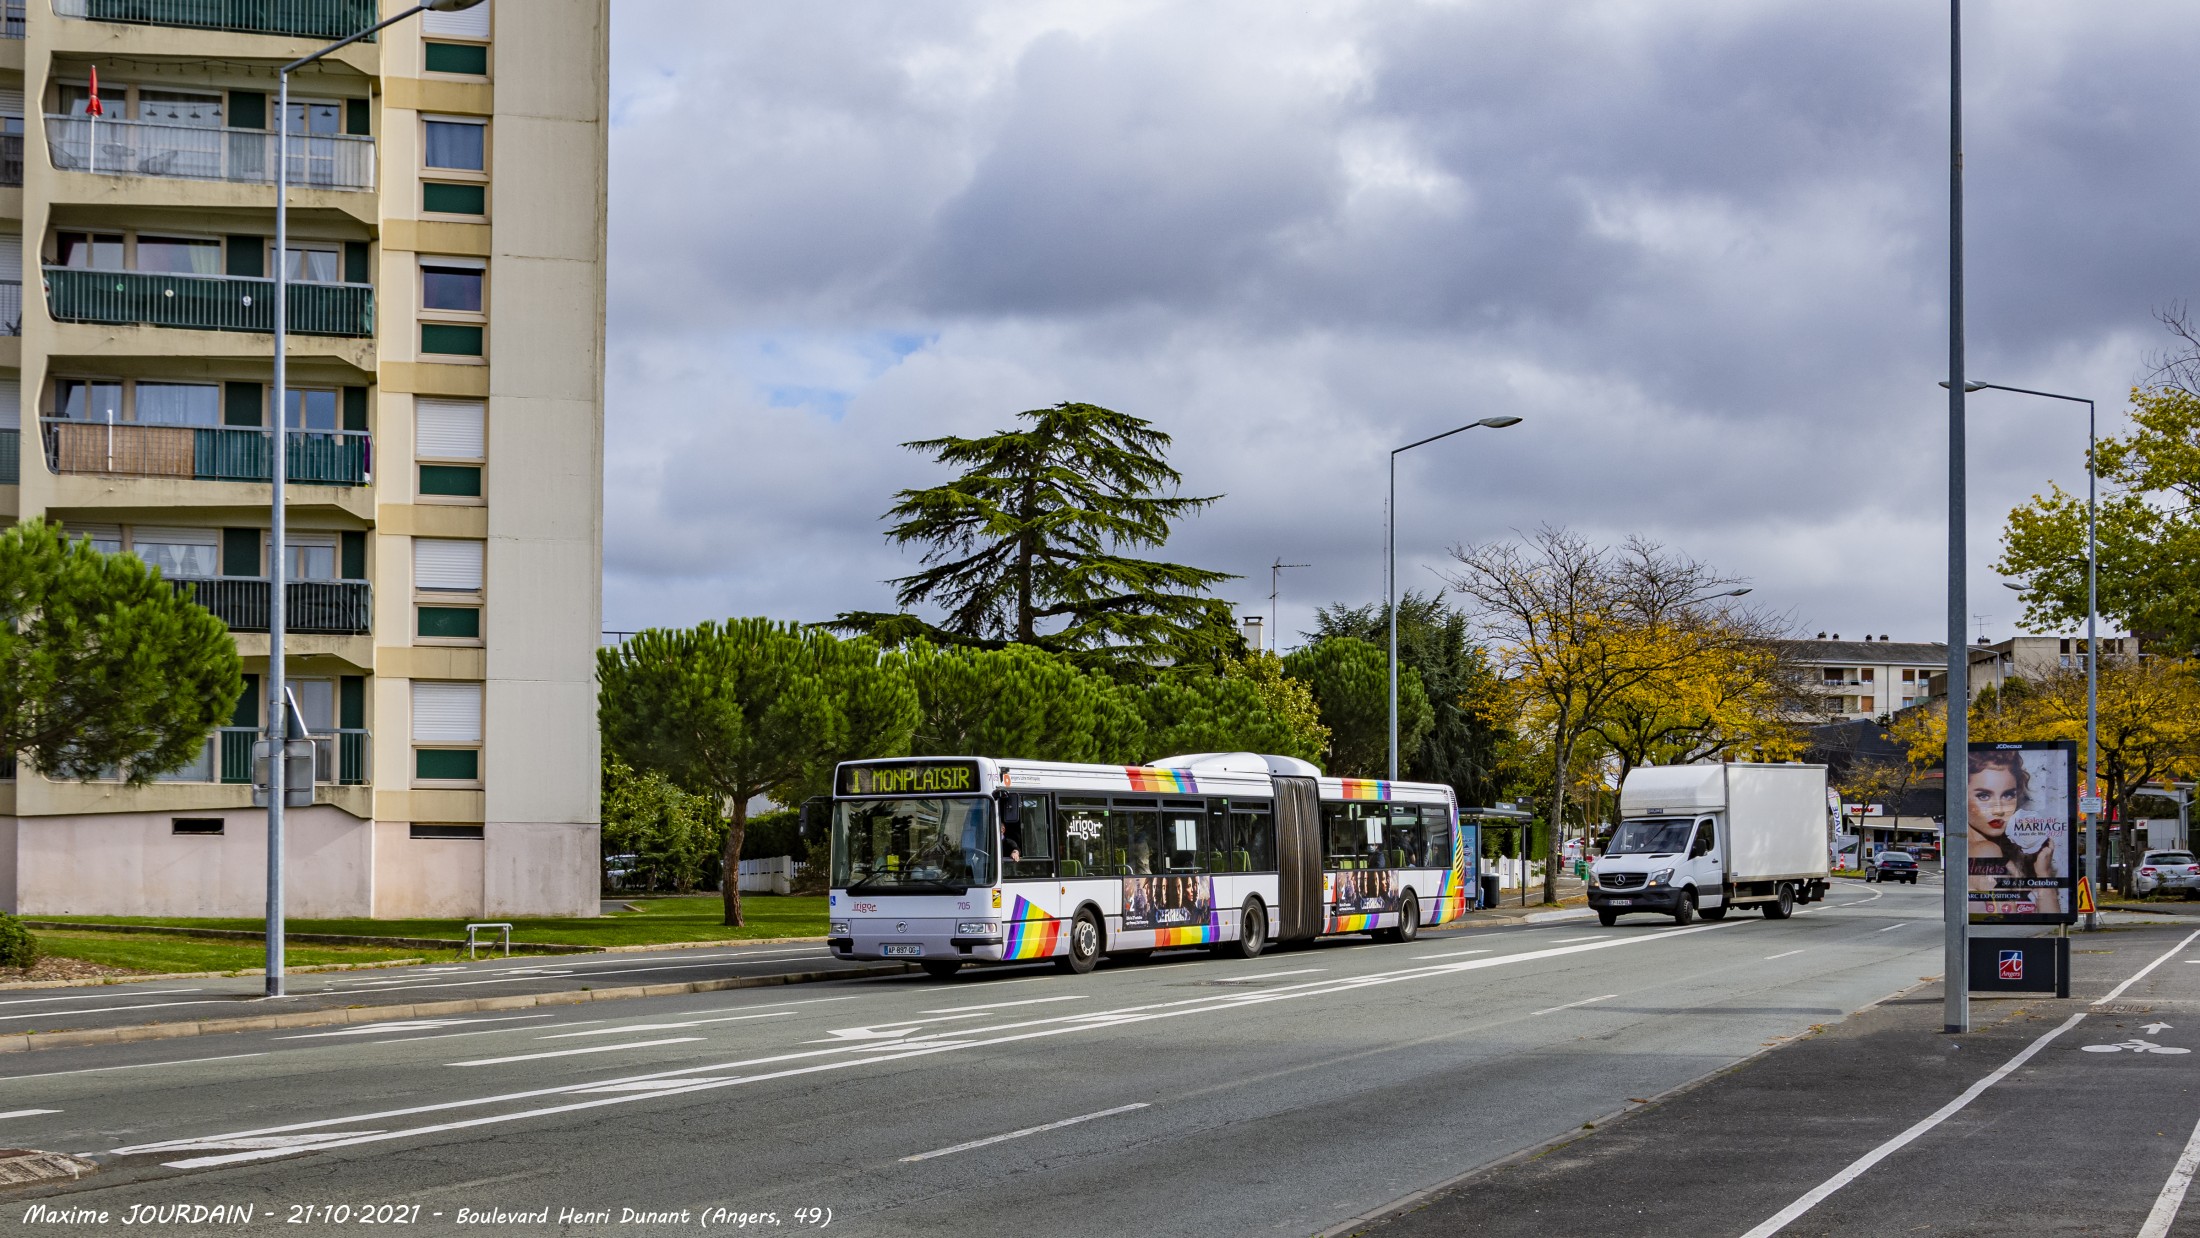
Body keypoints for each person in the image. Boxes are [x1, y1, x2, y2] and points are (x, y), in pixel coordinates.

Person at [1968, 750, 2063, 917]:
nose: (1998, 809)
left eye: (2008, 795)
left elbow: (2050, 922)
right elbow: (2012, 917)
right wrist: (2044, 875)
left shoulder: (1972, 849)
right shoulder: (1986, 851)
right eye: (1983, 796)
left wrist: (2044, 871)